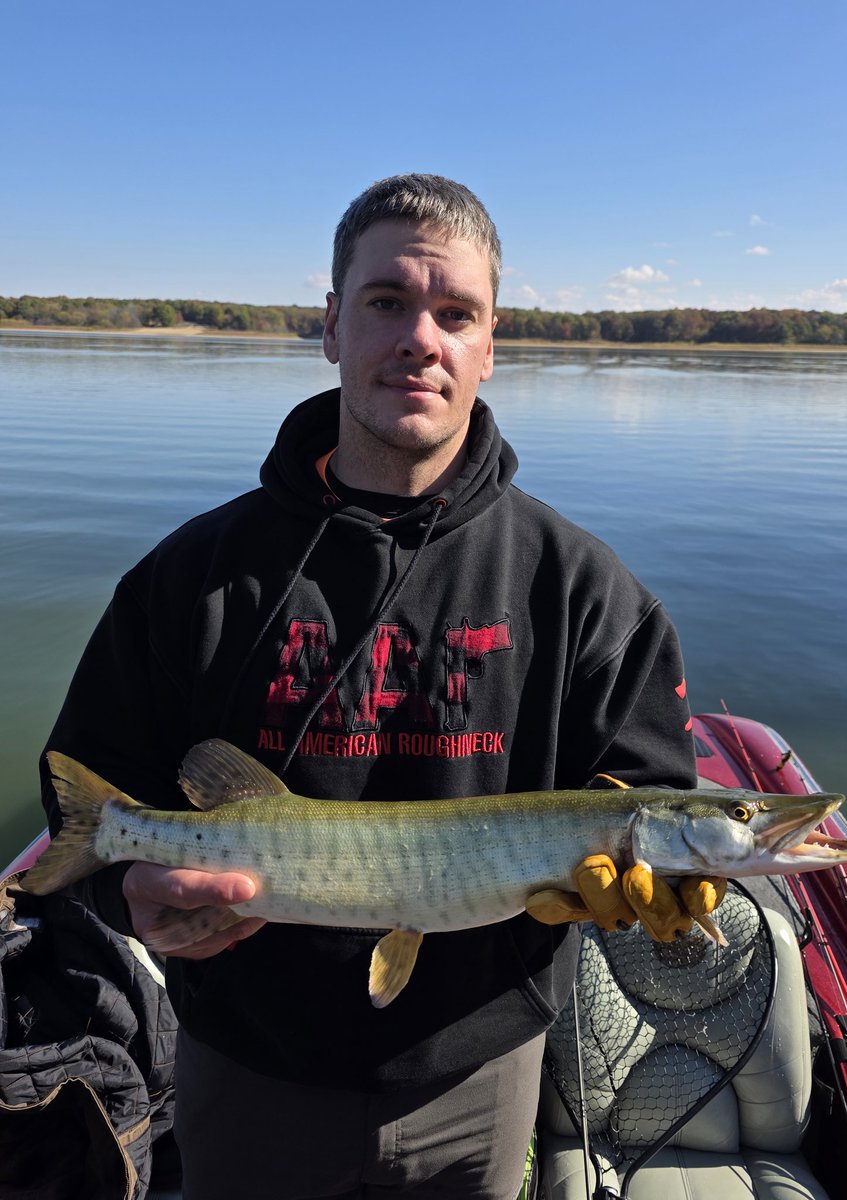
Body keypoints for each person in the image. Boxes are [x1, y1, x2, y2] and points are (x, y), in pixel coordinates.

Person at [39, 175, 707, 1200]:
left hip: (479, 1074)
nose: (420, 338)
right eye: (387, 302)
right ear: (331, 327)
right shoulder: (190, 577)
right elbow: (84, 800)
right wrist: (131, 898)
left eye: (457, 313)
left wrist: (643, 855)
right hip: (246, 1068)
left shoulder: (581, 586)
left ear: (490, 345)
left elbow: (644, 775)